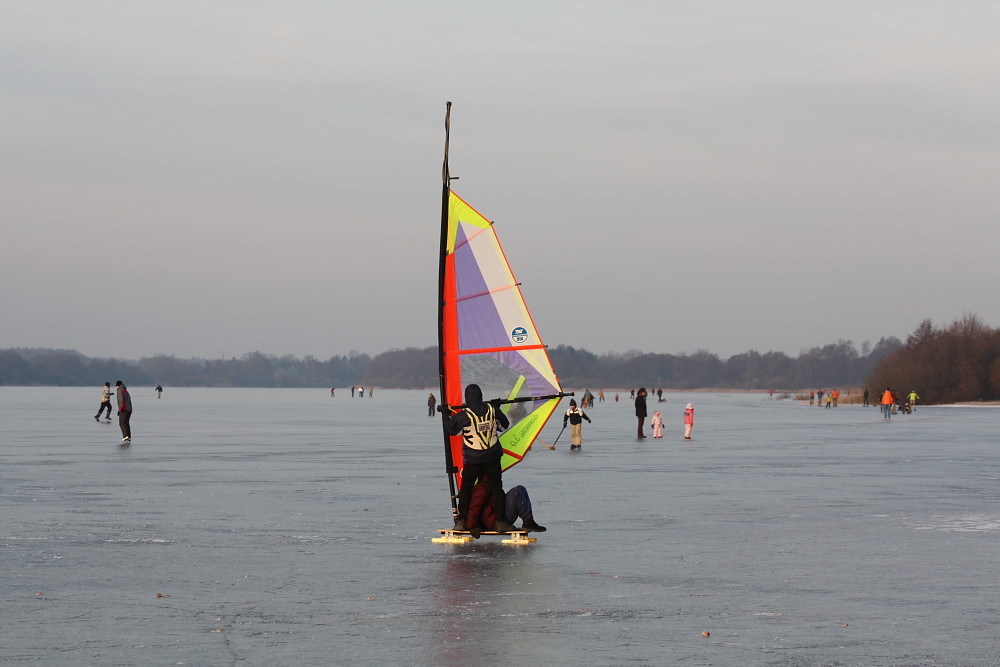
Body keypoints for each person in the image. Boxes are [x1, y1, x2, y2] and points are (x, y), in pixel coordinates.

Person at [441, 384, 516, 533]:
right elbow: (505, 424)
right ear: (481, 396)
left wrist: (444, 413)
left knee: (466, 490)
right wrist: (497, 407)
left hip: (473, 460)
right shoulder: (492, 410)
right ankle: (501, 522)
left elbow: (450, 429)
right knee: (496, 488)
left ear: (467, 398)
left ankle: (461, 521)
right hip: (493, 457)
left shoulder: (465, 415)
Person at [466, 475, 546, 539]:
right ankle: (528, 522)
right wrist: (473, 526)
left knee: (520, 488)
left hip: (500, 518)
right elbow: (475, 507)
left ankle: (529, 521)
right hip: (494, 523)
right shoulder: (483, 487)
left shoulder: (493, 484)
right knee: (516, 492)